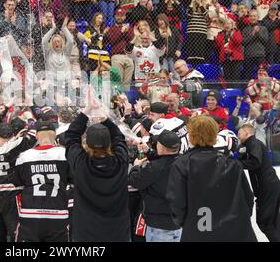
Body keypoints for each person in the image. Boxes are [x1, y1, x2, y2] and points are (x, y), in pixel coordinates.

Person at [167, 116, 256, 242]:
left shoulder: (181, 165)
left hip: (199, 231)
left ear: (190, 135)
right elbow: (248, 198)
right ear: (215, 134)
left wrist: (186, 223)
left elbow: (177, 202)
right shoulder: (232, 164)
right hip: (234, 231)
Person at [65, 86, 130, 242]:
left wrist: (87, 110)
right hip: (117, 231)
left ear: (87, 143)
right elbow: (119, 138)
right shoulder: (120, 161)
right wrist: (103, 116)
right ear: (109, 143)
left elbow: (71, 137)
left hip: (86, 233)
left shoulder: (80, 163)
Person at [0, 106, 36, 242]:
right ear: (12, 134)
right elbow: (35, 132)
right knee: (15, 234)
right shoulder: (17, 145)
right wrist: (29, 116)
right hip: (12, 195)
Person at [13, 121, 70, 242]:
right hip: (58, 214)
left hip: (30, 215)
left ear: (37, 136)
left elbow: (17, 183)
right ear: (55, 135)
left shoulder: (24, 156)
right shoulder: (65, 154)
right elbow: (73, 180)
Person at [129, 130, 182, 242]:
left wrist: (136, 167)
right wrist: (149, 152)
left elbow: (135, 181)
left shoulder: (155, 168)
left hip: (159, 225)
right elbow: (166, 160)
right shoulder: (184, 161)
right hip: (179, 222)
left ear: (161, 147)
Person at [237, 124, 280, 242]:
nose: (238, 136)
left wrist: (236, 165)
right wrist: (241, 153)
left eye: (240, 133)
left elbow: (255, 162)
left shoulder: (253, 143)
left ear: (247, 133)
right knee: (272, 222)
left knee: (264, 222)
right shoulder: (249, 145)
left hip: (267, 188)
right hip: (270, 186)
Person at [104, 8, 134, 92]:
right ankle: (117, 102)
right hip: (116, 56)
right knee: (117, 82)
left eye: (122, 16)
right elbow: (112, 40)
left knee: (127, 84)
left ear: (124, 17)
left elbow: (132, 40)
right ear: (115, 17)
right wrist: (122, 32)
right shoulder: (111, 28)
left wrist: (125, 31)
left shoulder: (129, 28)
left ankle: (125, 102)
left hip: (129, 56)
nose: (120, 17)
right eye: (118, 15)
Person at [241, 10, 268, 80]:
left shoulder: (263, 28)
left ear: (258, 17)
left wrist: (258, 33)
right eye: (251, 16)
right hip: (248, 55)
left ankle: (263, 89)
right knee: (247, 76)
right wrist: (252, 34)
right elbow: (243, 42)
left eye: (254, 16)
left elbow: (265, 41)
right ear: (249, 18)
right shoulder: (245, 29)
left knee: (263, 75)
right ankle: (248, 89)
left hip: (260, 55)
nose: (253, 18)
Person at [184, 0, 208, 66]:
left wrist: (200, 4)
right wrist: (192, 3)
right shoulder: (190, 6)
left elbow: (206, 15)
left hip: (201, 32)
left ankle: (199, 70)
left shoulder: (205, 6)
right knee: (192, 53)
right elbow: (188, 16)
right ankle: (192, 69)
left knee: (200, 54)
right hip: (191, 32)